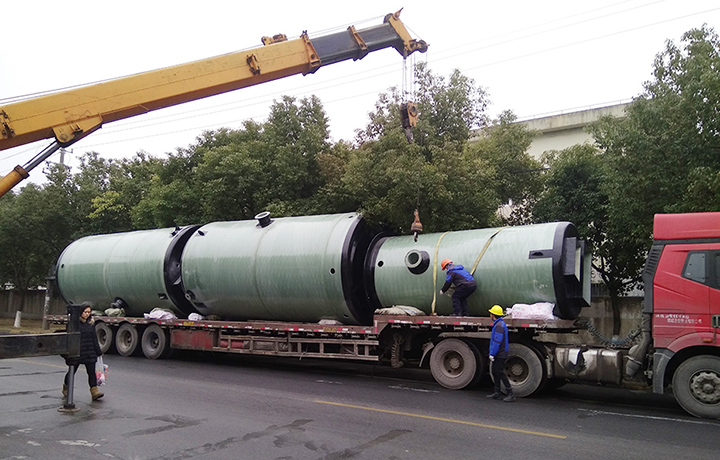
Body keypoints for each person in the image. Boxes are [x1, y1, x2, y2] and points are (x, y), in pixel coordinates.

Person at [63, 303, 104, 401]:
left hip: (90, 352)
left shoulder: (91, 323)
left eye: (89, 312)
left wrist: (98, 352)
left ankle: (94, 391)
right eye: (85, 312)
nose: (87, 314)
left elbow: (94, 338)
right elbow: (69, 338)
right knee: (72, 371)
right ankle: (66, 387)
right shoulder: (74, 324)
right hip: (78, 352)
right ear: (80, 312)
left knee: (91, 373)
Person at [486, 304, 515, 402]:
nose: (490, 315)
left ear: (493, 315)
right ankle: (497, 392)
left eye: (491, 313)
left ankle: (510, 394)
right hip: (500, 353)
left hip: (500, 354)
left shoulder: (499, 326)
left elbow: (496, 342)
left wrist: (492, 354)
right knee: (495, 372)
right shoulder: (499, 324)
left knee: (500, 372)